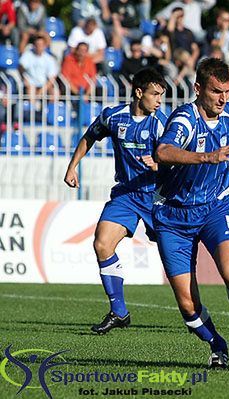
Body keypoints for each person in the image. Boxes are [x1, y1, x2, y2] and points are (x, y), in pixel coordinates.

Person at [152, 57, 229, 368]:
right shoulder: (184, 119)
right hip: (172, 216)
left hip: (215, 207)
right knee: (187, 305)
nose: (223, 98)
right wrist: (208, 156)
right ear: (198, 89)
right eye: (215, 92)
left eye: (227, 91)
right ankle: (216, 344)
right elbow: (163, 152)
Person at [63, 68, 168, 334]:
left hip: (157, 197)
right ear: (138, 92)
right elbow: (89, 136)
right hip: (125, 195)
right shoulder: (113, 116)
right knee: (102, 243)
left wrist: (158, 163)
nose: (159, 101)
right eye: (155, 94)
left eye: (162, 96)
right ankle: (119, 311)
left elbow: (178, 160)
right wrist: (72, 166)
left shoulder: (160, 123)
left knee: (177, 255)